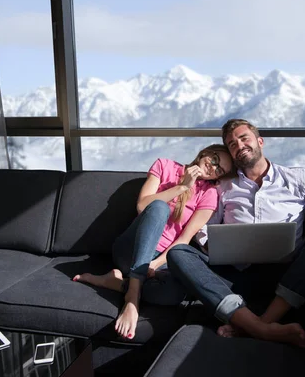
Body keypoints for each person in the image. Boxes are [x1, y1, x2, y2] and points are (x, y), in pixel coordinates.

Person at [167, 119, 305, 347]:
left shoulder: (296, 178)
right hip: (235, 277)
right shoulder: (224, 188)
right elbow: (203, 227)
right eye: (232, 144)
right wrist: (210, 245)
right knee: (178, 254)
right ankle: (259, 328)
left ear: (260, 141)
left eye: (244, 138)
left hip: (287, 276)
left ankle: (262, 321)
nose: (239, 145)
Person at [73, 144, 235, 340]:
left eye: (219, 170)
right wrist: (183, 186)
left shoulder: (209, 194)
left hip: (162, 259)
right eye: (215, 159)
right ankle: (132, 298)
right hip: (130, 249)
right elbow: (142, 205)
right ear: (206, 152)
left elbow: (184, 241)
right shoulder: (164, 165)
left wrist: (156, 263)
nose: (212, 167)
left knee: (175, 294)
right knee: (159, 207)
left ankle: (117, 283)